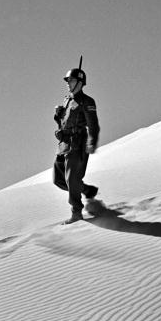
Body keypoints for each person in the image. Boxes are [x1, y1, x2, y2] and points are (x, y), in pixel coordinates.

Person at [52, 62, 101, 224]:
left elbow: (93, 124)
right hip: (63, 145)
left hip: (78, 144)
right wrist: (58, 117)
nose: (68, 84)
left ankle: (76, 213)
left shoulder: (87, 101)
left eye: (71, 81)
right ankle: (87, 190)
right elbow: (65, 122)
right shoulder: (66, 100)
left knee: (72, 179)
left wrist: (92, 141)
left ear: (80, 82)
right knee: (58, 180)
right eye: (67, 81)